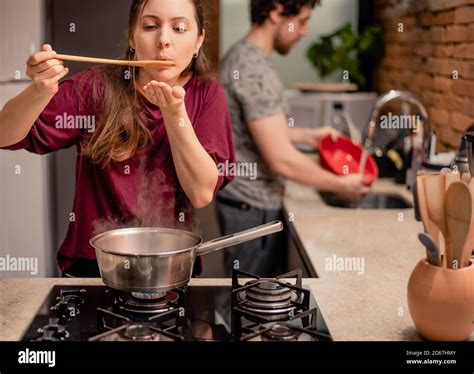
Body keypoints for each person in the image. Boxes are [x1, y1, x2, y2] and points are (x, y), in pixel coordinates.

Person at [0, 0, 235, 277]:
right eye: (150, 26)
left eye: (179, 28)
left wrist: (175, 114)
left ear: (198, 41)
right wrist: (39, 90)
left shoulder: (208, 94)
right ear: (133, 37)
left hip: (171, 270)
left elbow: (200, 192)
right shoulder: (94, 88)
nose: (163, 41)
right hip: (93, 269)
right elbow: (6, 136)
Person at [217, 0, 370, 277]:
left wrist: (311, 136)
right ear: (276, 12)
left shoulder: (246, 58)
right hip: (252, 207)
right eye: (301, 21)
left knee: (252, 300)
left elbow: (262, 131)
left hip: (248, 204)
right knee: (252, 304)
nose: (305, 32)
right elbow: (281, 161)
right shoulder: (252, 68)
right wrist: (341, 183)